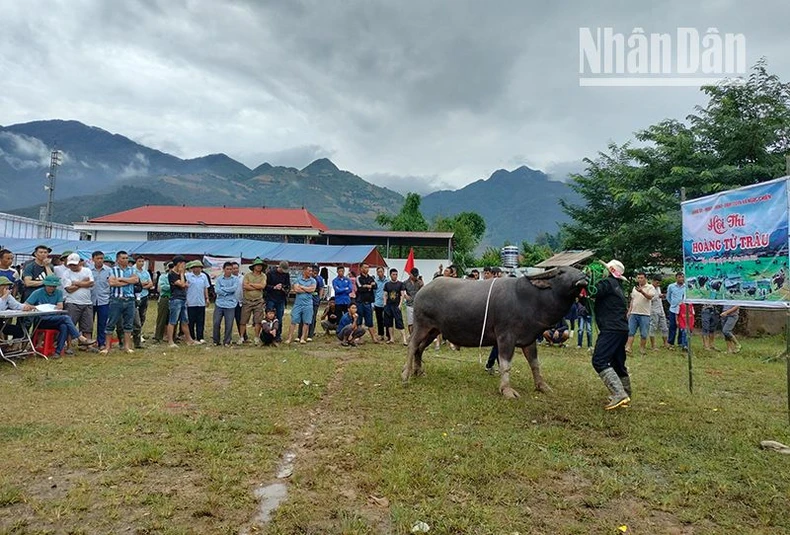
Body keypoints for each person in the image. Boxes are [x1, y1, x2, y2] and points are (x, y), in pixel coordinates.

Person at [591, 259, 631, 410]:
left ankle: (618, 393)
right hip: (621, 329)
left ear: (610, 271)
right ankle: (626, 393)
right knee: (618, 362)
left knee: (599, 360)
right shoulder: (618, 286)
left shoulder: (607, 283)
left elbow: (593, 290)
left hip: (611, 329)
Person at [26, 274, 95, 357]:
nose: (52, 288)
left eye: (54, 286)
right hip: (41, 319)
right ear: (45, 285)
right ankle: (80, 337)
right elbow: (26, 305)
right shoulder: (37, 293)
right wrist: (37, 307)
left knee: (64, 326)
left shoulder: (58, 292)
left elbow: (60, 306)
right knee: (65, 318)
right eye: (50, 286)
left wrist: (54, 307)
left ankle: (58, 352)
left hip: (54, 318)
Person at [101, 251, 139, 355]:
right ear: (118, 259)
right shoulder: (112, 270)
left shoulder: (132, 269)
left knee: (128, 324)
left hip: (130, 299)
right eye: (123, 258)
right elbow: (112, 283)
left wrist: (121, 279)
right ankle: (107, 347)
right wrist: (128, 281)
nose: (126, 260)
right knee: (111, 323)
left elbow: (135, 280)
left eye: (127, 258)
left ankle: (127, 346)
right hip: (116, 299)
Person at [61, 253, 95, 346]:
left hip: (87, 302)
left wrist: (76, 283)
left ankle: (87, 345)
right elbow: (69, 289)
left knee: (87, 326)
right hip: (72, 302)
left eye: (74, 264)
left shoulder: (87, 270)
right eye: (70, 264)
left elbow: (91, 283)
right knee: (70, 325)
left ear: (80, 262)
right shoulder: (66, 273)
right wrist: (84, 282)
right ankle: (69, 346)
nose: (72, 266)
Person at [166, 256, 196, 348]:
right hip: (176, 299)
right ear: (179, 263)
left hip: (183, 298)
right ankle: (170, 341)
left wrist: (183, 280)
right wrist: (182, 274)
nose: (184, 266)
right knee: (173, 321)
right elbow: (182, 284)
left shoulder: (180, 275)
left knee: (185, 321)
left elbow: (186, 284)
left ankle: (189, 339)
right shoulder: (172, 274)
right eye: (183, 263)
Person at [625, 272, 656, 355]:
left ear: (645, 278)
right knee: (631, 331)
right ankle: (628, 347)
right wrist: (629, 311)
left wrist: (642, 292)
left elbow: (650, 297)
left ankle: (642, 348)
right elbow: (632, 300)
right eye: (638, 278)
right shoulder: (635, 288)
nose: (640, 279)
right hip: (634, 313)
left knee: (644, 333)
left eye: (642, 278)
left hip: (645, 314)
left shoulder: (650, 287)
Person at [285, 265, 316, 344]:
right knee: (293, 320)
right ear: (304, 271)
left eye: (311, 271)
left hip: (308, 304)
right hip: (298, 304)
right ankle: (289, 338)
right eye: (309, 271)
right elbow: (296, 289)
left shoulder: (313, 281)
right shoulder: (297, 279)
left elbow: (312, 289)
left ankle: (302, 338)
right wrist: (306, 289)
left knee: (306, 322)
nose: (311, 272)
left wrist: (302, 287)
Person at [212, 261, 239, 346]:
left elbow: (234, 289)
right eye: (227, 269)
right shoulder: (219, 279)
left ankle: (227, 341)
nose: (229, 271)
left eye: (231, 269)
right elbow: (217, 290)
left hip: (231, 304)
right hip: (219, 303)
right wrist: (227, 291)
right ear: (223, 269)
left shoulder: (235, 279)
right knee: (216, 323)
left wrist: (223, 290)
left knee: (229, 324)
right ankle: (216, 341)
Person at [240, 258, 267, 344]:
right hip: (247, 300)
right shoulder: (247, 275)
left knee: (258, 320)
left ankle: (256, 337)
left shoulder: (263, 276)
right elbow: (245, 286)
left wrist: (251, 284)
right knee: (243, 320)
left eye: (260, 266)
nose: (259, 267)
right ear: (254, 266)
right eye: (257, 265)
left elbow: (262, 286)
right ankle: (241, 337)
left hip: (258, 300)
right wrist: (256, 286)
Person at [91, 251, 112, 351]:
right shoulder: (88, 270)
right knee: (89, 322)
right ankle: (88, 342)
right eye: (98, 258)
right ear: (93, 259)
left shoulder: (109, 271)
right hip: (90, 300)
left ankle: (101, 342)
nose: (100, 260)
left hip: (104, 300)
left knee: (103, 323)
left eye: (101, 258)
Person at [265, 260, 290, 342]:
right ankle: (268, 334)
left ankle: (278, 335)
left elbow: (288, 286)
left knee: (279, 317)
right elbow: (265, 286)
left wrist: (283, 287)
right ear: (279, 267)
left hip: (281, 299)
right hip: (271, 298)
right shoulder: (270, 273)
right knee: (269, 317)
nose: (283, 272)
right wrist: (274, 287)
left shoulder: (286, 275)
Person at [132, 256, 154, 348]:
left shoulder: (145, 272)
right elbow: (135, 283)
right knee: (135, 316)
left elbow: (151, 284)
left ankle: (139, 333)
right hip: (135, 296)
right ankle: (133, 333)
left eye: (142, 261)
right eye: (139, 261)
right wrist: (142, 284)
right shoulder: (133, 271)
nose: (141, 263)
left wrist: (142, 285)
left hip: (144, 296)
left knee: (142, 315)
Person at [185, 260, 209, 343]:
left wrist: (207, 298)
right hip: (190, 302)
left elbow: (205, 287)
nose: (197, 269)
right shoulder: (187, 276)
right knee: (190, 321)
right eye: (195, 267)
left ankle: (200, 337)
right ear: (192, 268)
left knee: (200, 321)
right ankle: (191, 336)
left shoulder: (204, 276)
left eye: (199, 267)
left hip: (201, 302)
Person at [383, 268, 408, 345]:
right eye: (393, 274)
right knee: (389, 323)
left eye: (396, 274)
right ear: (390, 275)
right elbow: (385, 295)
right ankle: (391, 338)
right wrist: (384, 304)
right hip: (389, 305)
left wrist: (400, 305)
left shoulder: (400, 284)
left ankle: (404, 339)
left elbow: (402, 295)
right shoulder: (387, 284)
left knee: (399, 322)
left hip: (396, 306)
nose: (395, 276)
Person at [0, 276, 30, 340]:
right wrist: (4, 297)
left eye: (8, 286)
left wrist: (24, 307)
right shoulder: (6, 295)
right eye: (5, 285)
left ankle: (13, 347)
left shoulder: (8, 296)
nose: (7, 288)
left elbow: (16, 305)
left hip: (1, 322)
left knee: (19, 331)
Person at [355, 263, 378, 343]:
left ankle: (374, 338)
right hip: (360, 302)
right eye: (365, 267)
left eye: (368, 267)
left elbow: (375, 286)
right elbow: (360, 288)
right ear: (361, 268)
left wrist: (367, 286)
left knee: (370, 321)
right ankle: (359, 338)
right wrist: (368, 286)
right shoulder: (358, 278)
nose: (367, 269)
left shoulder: (371, 278)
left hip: (368, 303)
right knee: (359, 321)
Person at [153, 262, 173, 343]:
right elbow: (162, 287)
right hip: (164, 298)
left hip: (174, 298)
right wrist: (173, 285)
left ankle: (170, 336)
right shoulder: (163, 277)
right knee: (162, 318)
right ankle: (158, 336)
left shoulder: (177, 277)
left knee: (171, 319)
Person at [666, 272, 686, 349]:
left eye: (682, 277)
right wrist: (673, 303)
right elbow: (668, 297)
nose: (681, 279)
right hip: (673, 309)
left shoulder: (686, 287)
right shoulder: (671, 286)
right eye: (679, 277)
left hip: (682, 310)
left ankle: (680, 342)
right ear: (676, 278)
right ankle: (670, 343)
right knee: (672, 326)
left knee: (682, 326)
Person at [649, 275, 669, 350]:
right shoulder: (649, 288)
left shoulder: (658, 288)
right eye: (657, 282)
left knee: (664, 327)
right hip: (653, 310)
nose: (658, 284)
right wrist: (658, 296)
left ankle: (665, 343)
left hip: (661, 309)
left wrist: (661, 296)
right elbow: (649, 298)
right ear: (653, 281)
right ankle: (653, 345)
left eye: (659, 283)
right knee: (653, 327)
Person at [307, 264, 325, 341]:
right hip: (307, 299)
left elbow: (321, 288)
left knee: (313, 317)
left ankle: (310, 334)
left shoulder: (319, 279)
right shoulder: (308, 278)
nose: (315, 273)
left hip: (315, 300)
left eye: (316, 272)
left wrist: (320, 298)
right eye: (313, 271)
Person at [403, 267, 423, 334]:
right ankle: (411, 336)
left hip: (418, 304)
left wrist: (422, 284)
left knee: (417, 322)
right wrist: (405, 296)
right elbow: (402, 291)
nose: (415, 277)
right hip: (409, 304)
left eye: (416, 276)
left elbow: (423, 291)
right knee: (410, 322)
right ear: (410, 274)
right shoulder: (405, 283)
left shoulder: (419, 282)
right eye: (414, 275)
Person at [373, 266, 388, 341]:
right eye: (378, 272)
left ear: (384, 272)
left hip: (386, 303)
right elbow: (373, 292)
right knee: (379, 319)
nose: (380, 273)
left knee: (387, 319)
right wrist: (373, 303)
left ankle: (388, 335)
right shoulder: (375, 281)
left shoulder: (387, 281)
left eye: (381, 271)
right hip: (377, 302)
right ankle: (381, 334)